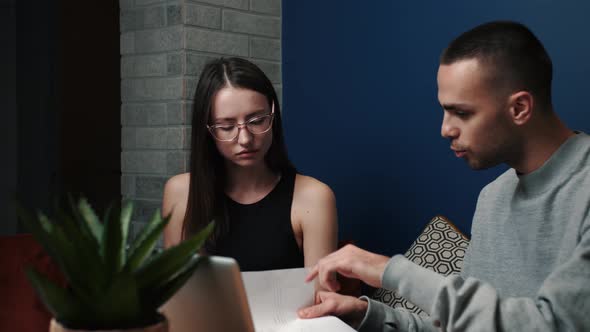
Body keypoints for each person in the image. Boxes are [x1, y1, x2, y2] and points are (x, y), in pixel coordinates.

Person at [298, 20, 590, 331]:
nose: (445, 129)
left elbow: (554, 324)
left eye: (461, 113)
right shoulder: (493, 197)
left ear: (519, 108)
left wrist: (388, 270)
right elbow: (460, 325)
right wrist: (365, 315)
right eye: (444, 111)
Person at [162, 57, 338, 272]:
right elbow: (177, 289)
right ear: (208, 131)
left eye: (256, 121)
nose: (245, 139)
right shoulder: (181, 192)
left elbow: (322, 298)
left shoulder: (313, 197)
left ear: (273, 117)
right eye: (227, 126)